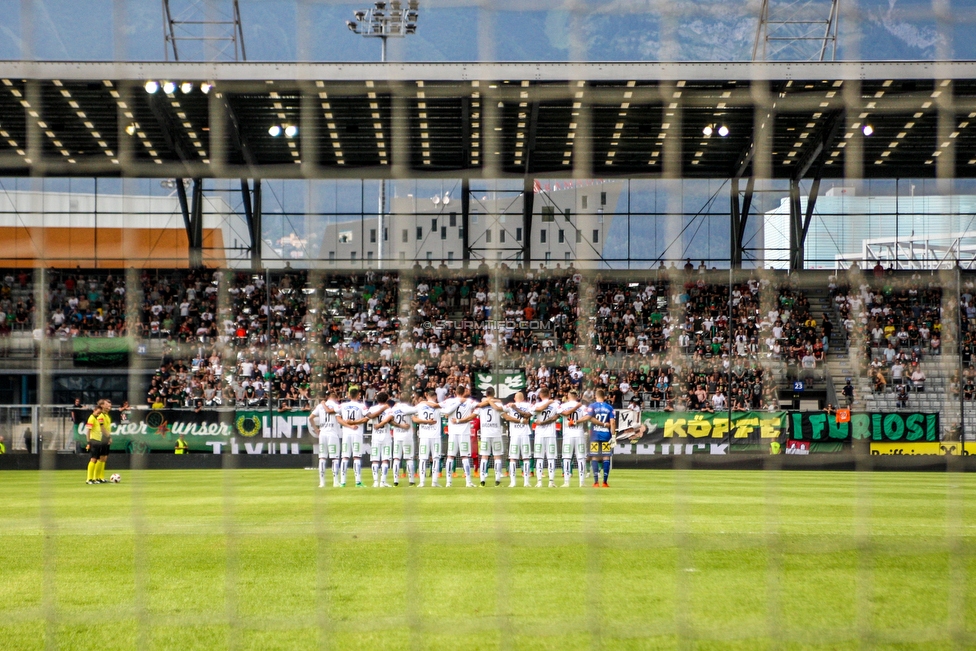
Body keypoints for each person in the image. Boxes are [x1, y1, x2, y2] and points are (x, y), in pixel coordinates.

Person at [440, 385, 478, 488]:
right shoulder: (469, 401)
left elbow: (437, 406)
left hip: (452, 432)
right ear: (464, 392)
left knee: (450, 457)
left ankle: (448, 482)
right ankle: (468, 482)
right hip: (464, 433)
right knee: (465, 457)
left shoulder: (449, 401)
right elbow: (479, 405)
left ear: (455, 392)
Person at [578, 388, 615, 488]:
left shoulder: (592, 406)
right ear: (605, 397)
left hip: (594, 435)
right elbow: (612, 422)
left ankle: (596, 482)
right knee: (606, 457)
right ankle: (605, 482)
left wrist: (577, 421)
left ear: (595, 396)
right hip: (606, 435)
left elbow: (588, 417)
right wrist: (614, 436)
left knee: (594, 456)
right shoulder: (610, 407)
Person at [337, 388, 370, 488]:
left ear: (349, 395)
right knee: (357, 457)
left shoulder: (342, 405)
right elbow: (366, 418)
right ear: (359, 395)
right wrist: (354, 424)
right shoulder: (362, 406)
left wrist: (349, 425)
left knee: (345, 457)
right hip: (357, 433)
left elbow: (339, 419)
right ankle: (358, 482)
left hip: (346, 433)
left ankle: (342, 482)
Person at [474, 387, 506, 487]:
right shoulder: (498, 403)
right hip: (496, 433)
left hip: (485, 433)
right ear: (494, 393)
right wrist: (495, 400)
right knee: (497, 457)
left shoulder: (482, 404)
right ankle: (497, 480)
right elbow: (502, 412)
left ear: (486, 394)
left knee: (484, 457)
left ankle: (482, 480)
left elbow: (475, 411)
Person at [309, 391, 341, 487]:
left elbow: (310, 418)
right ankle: (336, 482)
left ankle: (322, 482)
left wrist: (316, 429)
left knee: (322, 458)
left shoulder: (320, 406)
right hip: (332, 433)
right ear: (336, 397)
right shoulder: (337, 405)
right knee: (334, 458)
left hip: (322, 433)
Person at [531, 388, 560, 488]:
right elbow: (556, 417)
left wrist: (540, 422)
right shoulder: (555, 404)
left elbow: (533, 414)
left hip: (539, 434)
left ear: (540, 395)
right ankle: (551, 482)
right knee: (551, 458)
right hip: (551, 434)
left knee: (539, 458)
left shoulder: (537, 405)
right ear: (549, 394)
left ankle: (539, 482)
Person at [504, 392, 534, 488]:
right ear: (523, 398)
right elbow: (528, 416)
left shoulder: (510, 405)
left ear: (514, 398)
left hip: (514, 435)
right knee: (526, 458)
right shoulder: (528, 405)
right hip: (525, 434)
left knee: (513, 458)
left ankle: (513, 482)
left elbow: (504, 415)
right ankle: (526, 482)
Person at [389, 394, 420, 487]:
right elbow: (415, 415)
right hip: (407, 436)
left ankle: (395, 480)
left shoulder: (394, 409)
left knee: (396, 458)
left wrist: (399, 426)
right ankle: (411, 480)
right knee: (409, 458)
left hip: (397, 435)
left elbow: (390, 420)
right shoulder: (410, 409)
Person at [559, 391, 588, 487]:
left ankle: (566, 482)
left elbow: (559, 414)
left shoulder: (563, 406)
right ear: (577, 396)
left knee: (566, 458)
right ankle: (582, 482)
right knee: (581, 458)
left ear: (568, 396)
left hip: (567, 434)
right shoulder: (582, 407)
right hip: (579, 433)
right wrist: (576, 421)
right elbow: (588, 417)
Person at [414, 389, 443, 488]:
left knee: (422, 459)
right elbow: (447, 414)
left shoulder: (420, 405)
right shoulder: (438, 407)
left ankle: (422, 482)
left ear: (427, 396)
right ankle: (434, 482)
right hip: (435, 436)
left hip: (424, 436)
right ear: (435, 397)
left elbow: (413, 417)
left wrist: (424, 421)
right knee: (436, 458)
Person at [366, 394, 393, 487]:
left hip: (375, 436)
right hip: (386, 436)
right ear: (387, 399)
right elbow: (390, 419)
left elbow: (370, 416)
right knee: (385, 459)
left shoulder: (372, 408)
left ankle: (375, 482)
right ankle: (382, 482)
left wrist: (377, 425)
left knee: (375, 459)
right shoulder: (389, 409)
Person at [85, 399, 112, 484]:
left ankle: (98, 478)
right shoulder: (93, 418)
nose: (109, 406)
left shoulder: (101, 416)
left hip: (99, 439)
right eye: (107, 404)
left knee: (101, 458)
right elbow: (89, 430)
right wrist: (88, 442)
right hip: (96, 440)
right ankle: (90, 478)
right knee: (94, 458)